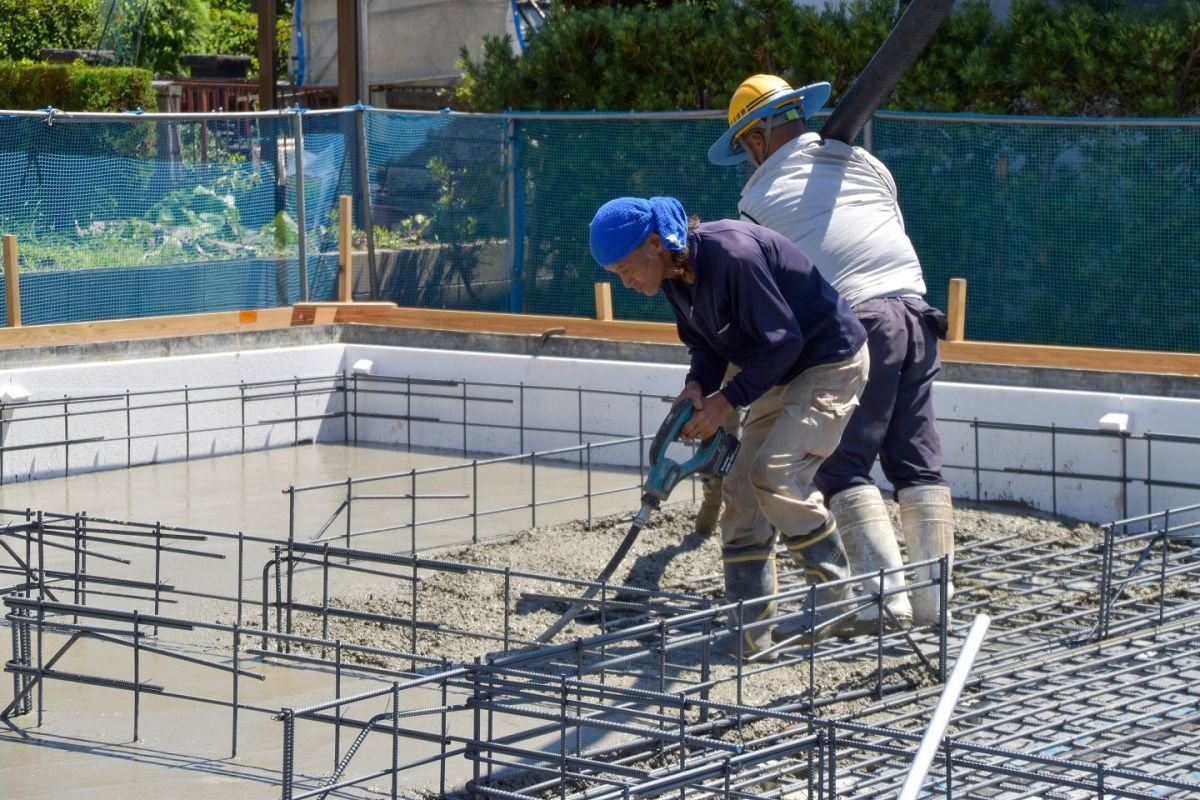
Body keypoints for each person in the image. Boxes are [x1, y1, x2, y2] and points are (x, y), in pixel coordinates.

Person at [707, 74, 955, 630]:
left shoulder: (756, 203)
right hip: (916, 314)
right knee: (917, 463)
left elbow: (772, 293)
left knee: (840, 464)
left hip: (860, 323)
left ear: (753, 140)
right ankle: (936, 604)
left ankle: (880, 604)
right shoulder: (867, 164)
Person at [588, 195, 869, 657]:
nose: (627, 281)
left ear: (655, 244)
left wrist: (724, 403)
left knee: (774, 472)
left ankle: (837, 597)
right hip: (775, 369)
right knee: (740, 488)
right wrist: (697, 386)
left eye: (624, 269)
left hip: (825, 362)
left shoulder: (732, 255)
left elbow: (784, 341)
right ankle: (751, 633)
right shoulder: (676, 279)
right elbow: (707, 346)